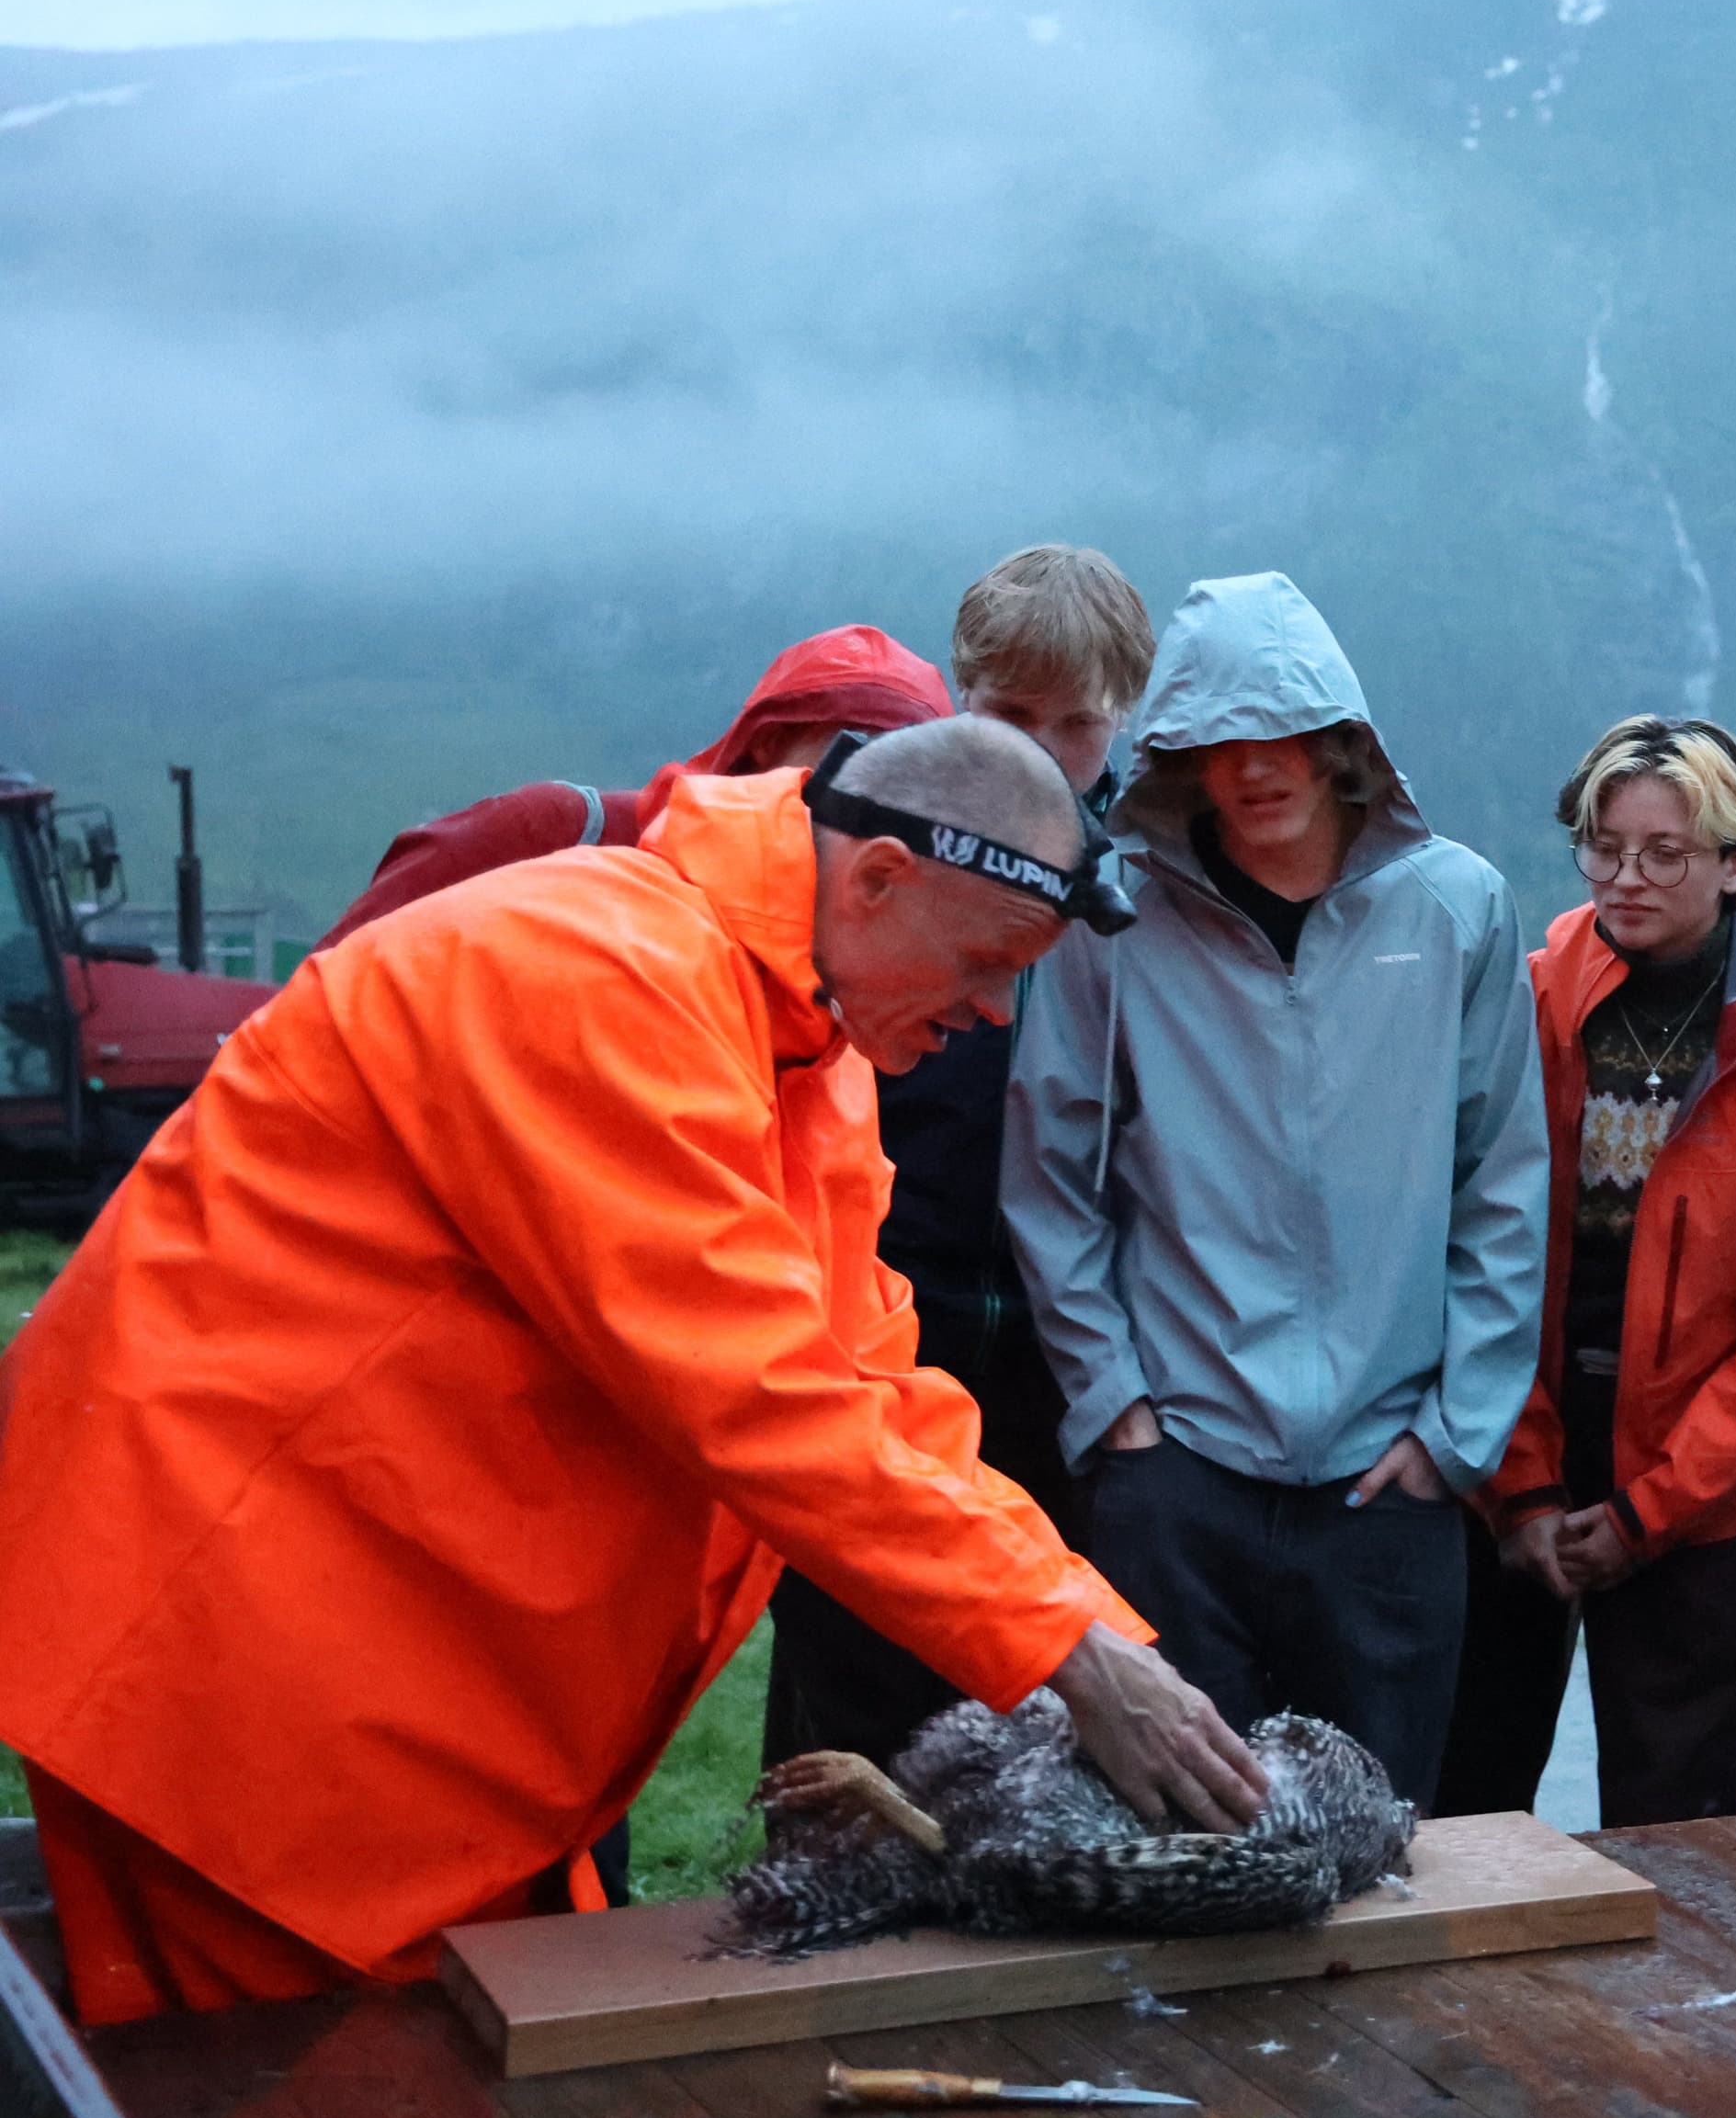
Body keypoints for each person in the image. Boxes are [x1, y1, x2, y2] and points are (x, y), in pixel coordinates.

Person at [0, 719, 1265, 2025]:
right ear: (879, 878)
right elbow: (759, 1399)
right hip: (233, 1661)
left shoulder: (809, 1051)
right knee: (296, 2073)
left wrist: (1097, 1636)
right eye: (988, 963)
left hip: (379, 1678)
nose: (997, 1012)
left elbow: (874, 1389)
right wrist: (1063, 1653)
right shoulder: (599, 973)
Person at [1004, 573, 1548, 1804]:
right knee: (1177, 1842)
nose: (1253, 768)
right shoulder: (1116, 920)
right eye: (1217, 740)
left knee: (1376, 1840)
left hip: (1390, 1482)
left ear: (1341, 737)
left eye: (1283, 732)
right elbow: (1050, 1172)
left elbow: (1504, 1185)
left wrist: (1453, 1438)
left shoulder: (1456, 907)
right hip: (1176, 1471)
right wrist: (1115, 1408)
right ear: (1179, 756)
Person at [761, 546, 1156, 1772]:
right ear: (957, 695)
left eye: (1078, 724)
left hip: (1069, 1359)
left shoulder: (1153, 891)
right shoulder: (886, 858)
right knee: (850, 1683)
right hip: (886, 1322)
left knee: (1044, 1721)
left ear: (1124, 718)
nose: (1044, 749)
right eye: (1010, 716)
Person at [1437, 718, 1736, 1826]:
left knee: (1678, 1826)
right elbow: (1470, 1241)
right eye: (1605, 846)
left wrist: (1650, 1511)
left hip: (1703, 1500)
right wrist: (1521, 1486)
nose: (1626, 876)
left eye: (1665, 853)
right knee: (1465, 1800)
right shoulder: (1531, 1002)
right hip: (1517, 1448)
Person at [320, 624, 953, 945]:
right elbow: (316, 1007)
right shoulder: (557, 830)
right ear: (767, 740)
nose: (869, 795)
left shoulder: (829, 971)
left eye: (908, 781)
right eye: (855, 752)